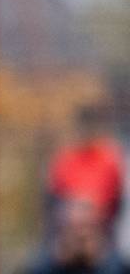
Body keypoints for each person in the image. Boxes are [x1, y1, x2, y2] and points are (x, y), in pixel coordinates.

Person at [48, 103, 125, 237]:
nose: (88, 132)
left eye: (92, 126)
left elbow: (117, 200)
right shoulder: (65, 158)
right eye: (84, 127)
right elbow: (56, 196)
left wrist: (94, 211)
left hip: (102, 228)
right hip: (69, 226)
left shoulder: (110, 158)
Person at [24, 199, 130, 274]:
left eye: (85, 227)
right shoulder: (48, 264)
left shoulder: (115, 265)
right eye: (72, 228)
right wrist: (57, 260)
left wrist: (99, 259)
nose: (79, 236)